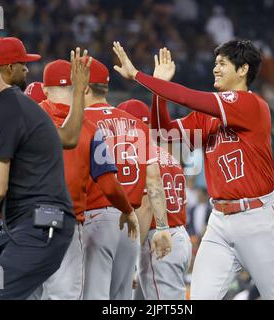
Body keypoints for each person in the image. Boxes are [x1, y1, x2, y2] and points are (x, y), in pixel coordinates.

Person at [113, 41, 274, 300]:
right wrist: (158, 93)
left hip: (258, 219)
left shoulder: (250, 104)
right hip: (219, 221)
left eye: (222, 63)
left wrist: (138, 77)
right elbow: (163, 134)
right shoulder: (208, 117)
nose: (215, 69)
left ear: (243, 69)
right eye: (215, 63)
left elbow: (189, 97)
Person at [0, 48, 89, 299]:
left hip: (39, 227)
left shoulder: (2, 113)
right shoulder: (20, 106)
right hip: (27, 227)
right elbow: (68, 137)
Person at [33, 59, 138, 300]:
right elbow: (109, 184)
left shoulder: (27, 118)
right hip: (65, 223)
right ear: (79, 88)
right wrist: (127, 209)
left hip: (25, 222)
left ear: (45, 89)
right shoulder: (88, 127)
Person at [82, 57, 172, 300]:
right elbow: (153, 180)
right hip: (129, 223)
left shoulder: (80, 122)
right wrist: (162, 226)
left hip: (95, 218)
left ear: (85, 87)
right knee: (121, 300)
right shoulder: (137, 125)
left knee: (93, 296)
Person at [117, 99, 192, 300]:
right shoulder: (167, 155)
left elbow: (147, 205)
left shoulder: (137, 155)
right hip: (177, 236)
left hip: (157, 242)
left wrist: (131, 260)